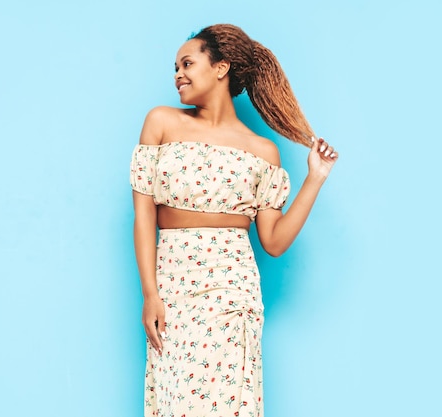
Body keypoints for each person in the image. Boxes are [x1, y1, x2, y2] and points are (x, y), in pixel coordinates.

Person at [130, 23, 338, 417]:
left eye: (187, 63)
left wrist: (316, 177)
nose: (178, 74)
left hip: (232, 289)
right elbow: (143, 215)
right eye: (175, 66)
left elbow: (273, 242)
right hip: (174, 283)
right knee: (175, 399)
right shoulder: (161, 122)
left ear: (221, 68)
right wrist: (150, 294)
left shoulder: (263, 150)